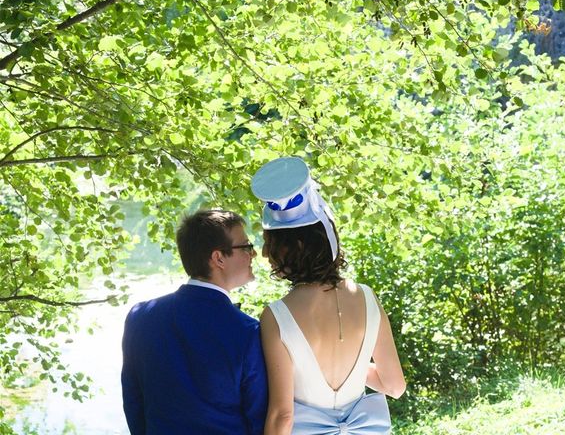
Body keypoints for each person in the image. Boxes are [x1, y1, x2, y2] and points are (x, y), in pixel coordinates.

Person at [251, 157, 406, 435]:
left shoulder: (276, 316)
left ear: (292, 248)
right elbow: (395, 386)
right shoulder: (367, 298)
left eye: (269, 244)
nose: (265, 253)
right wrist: (357, 369)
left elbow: (283, 415)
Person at [121, 209, 268, 435]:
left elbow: (133, 401)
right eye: (246, 246)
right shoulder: (247, 332)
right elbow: (258, 418)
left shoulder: (139, 317)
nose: (253, 254)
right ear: (218, 258)